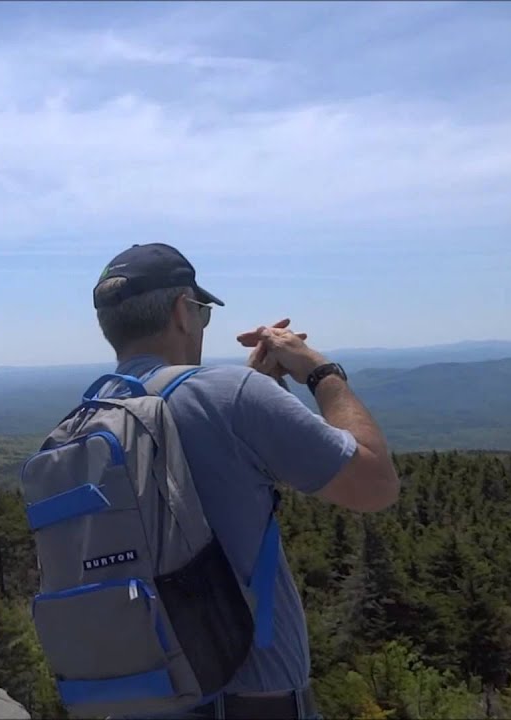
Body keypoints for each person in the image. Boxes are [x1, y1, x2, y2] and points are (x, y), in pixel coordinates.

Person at [91, 242, 401, 720]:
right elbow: (376, 484)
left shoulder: (88, 421)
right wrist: (321, 372)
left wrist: (257, 393)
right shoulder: (229, 396)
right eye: (203, 312)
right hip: (247, 705)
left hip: (134, 704)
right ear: (182, 311)